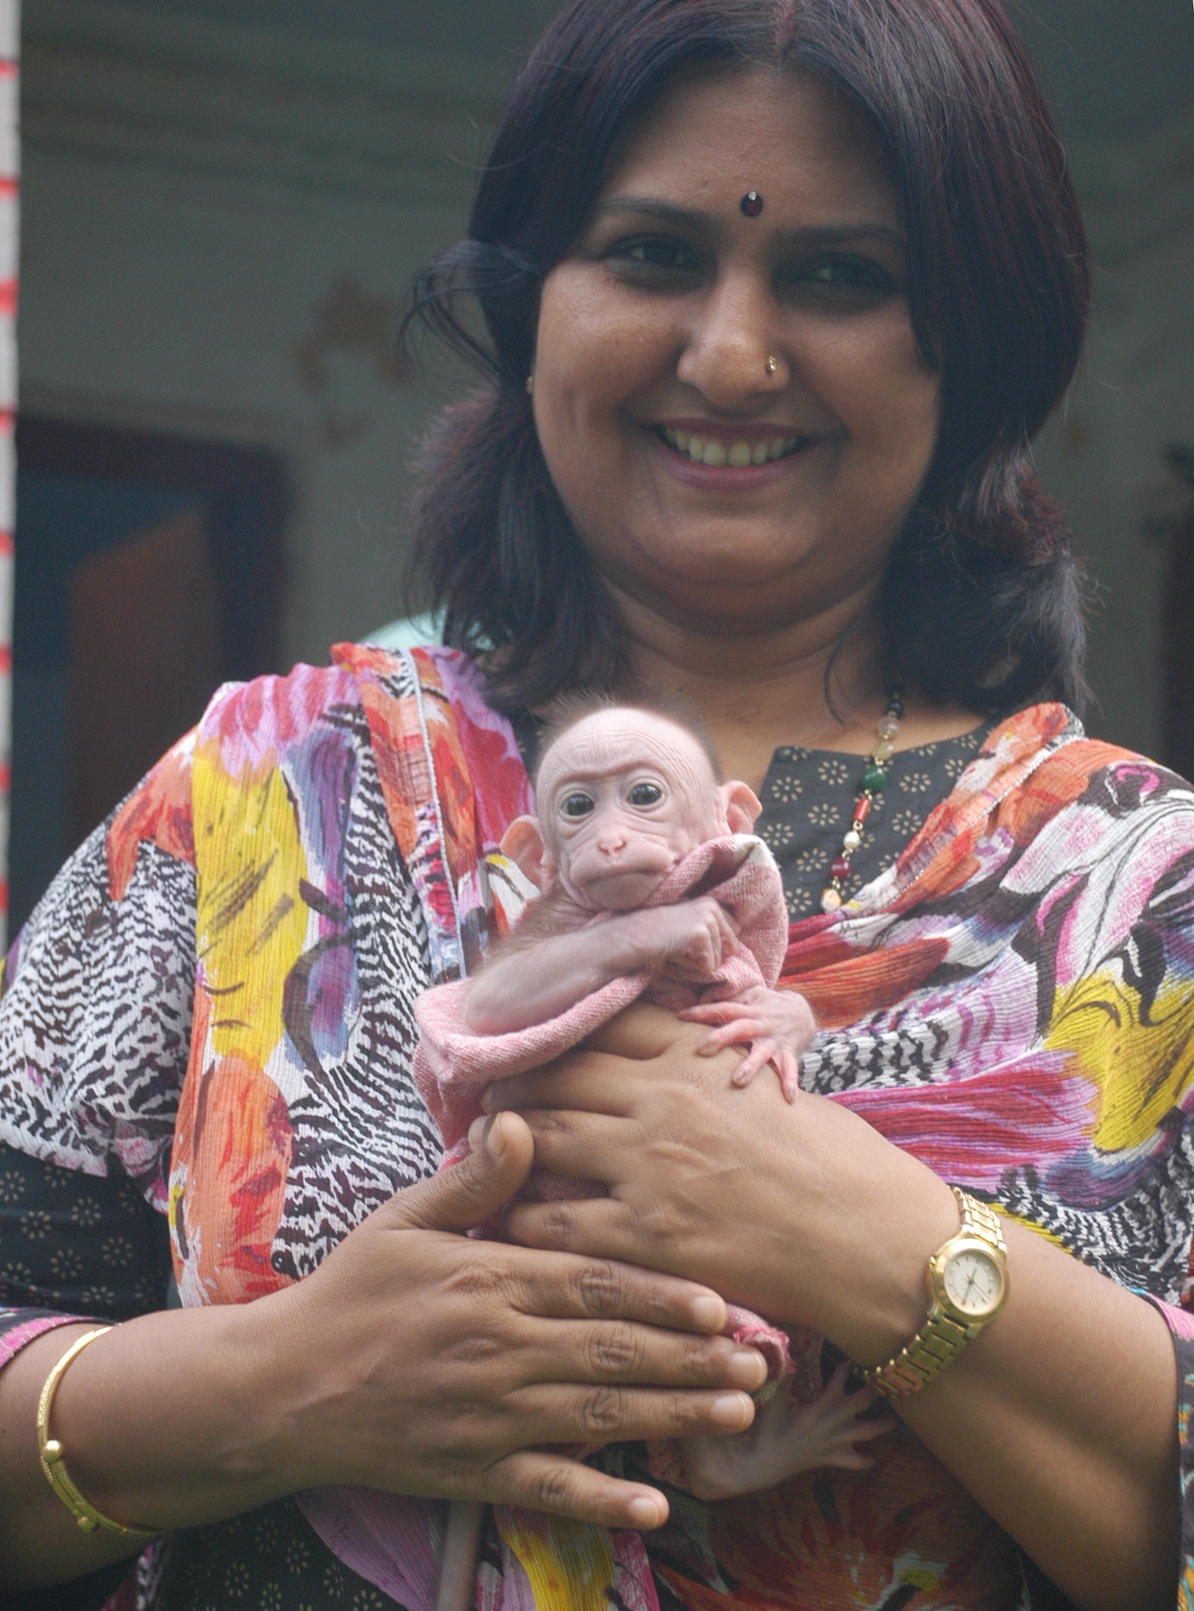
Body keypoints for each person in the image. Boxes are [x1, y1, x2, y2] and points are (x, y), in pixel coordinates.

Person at [0, 1, 1187, 1608]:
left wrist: (870, 1240)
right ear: (530, 303)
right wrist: (281, 1380)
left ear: (972, 344)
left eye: (840, 274)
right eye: (650, 255)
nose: (729, 355)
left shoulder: (1139, 892)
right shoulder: (251, 797)